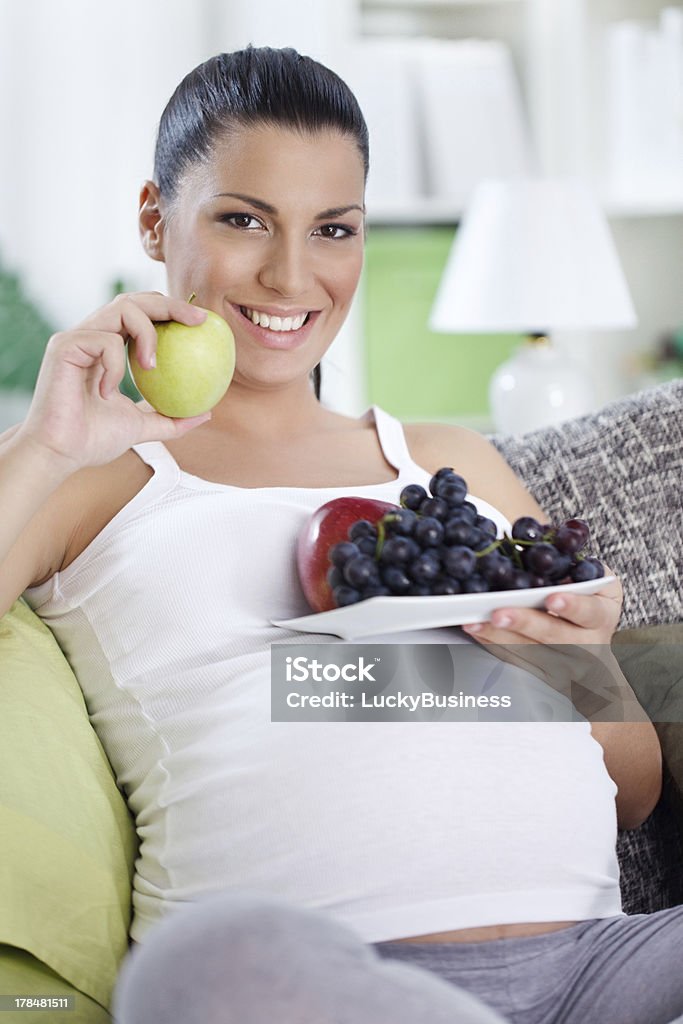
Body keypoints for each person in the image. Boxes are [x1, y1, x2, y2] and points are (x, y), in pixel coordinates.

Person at [1, 45, 681, 1024]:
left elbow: (629, 789)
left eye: (332, 229)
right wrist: (43, 438)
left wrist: (579, 667)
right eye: (242, 220)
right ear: (155, 217)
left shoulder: (454, 466)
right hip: (324, 980)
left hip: (597, 971)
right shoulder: (87, 470)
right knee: (202, 963)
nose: (290, 275)